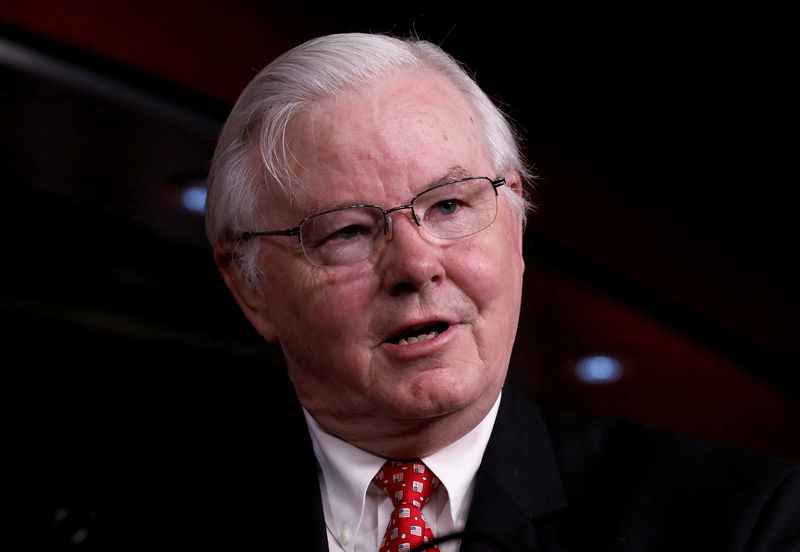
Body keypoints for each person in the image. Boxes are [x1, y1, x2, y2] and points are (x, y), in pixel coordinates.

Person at [196, 32, 799, 551]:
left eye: (450, 205)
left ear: (515, 225)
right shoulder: (135, 527)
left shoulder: (743, 522)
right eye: (347, 231)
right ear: (249, 288)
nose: (416, 263)